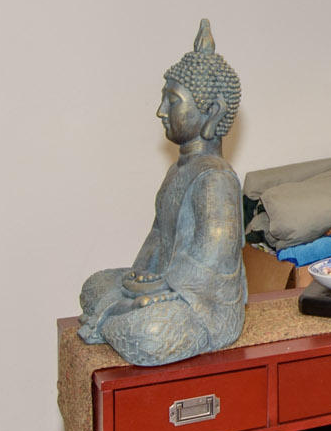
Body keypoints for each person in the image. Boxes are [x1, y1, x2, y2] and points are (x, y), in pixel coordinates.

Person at [78, 19, 249, 366]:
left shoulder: (216, 179)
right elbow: (158, 238)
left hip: (205, 310)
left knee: (150, 334)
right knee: (94, 286)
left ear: (211, 113)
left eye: (172, 101)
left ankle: (117, 318)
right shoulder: (178, 171)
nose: (161, 111)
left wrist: (160, 290)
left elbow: (213, 259)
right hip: (166, 290)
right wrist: (138, 280)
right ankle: (118, 314)